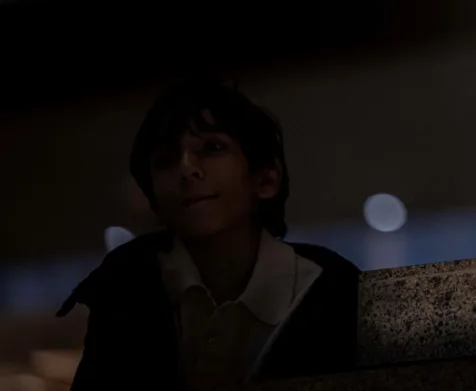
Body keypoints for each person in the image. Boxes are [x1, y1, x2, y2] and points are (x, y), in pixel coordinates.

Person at [59, 78, 360, 389]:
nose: (187, 169)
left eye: (212, 148)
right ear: (154, 200)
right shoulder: (124, 293)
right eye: (165, 160)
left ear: (266, 178)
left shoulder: (333, 291)